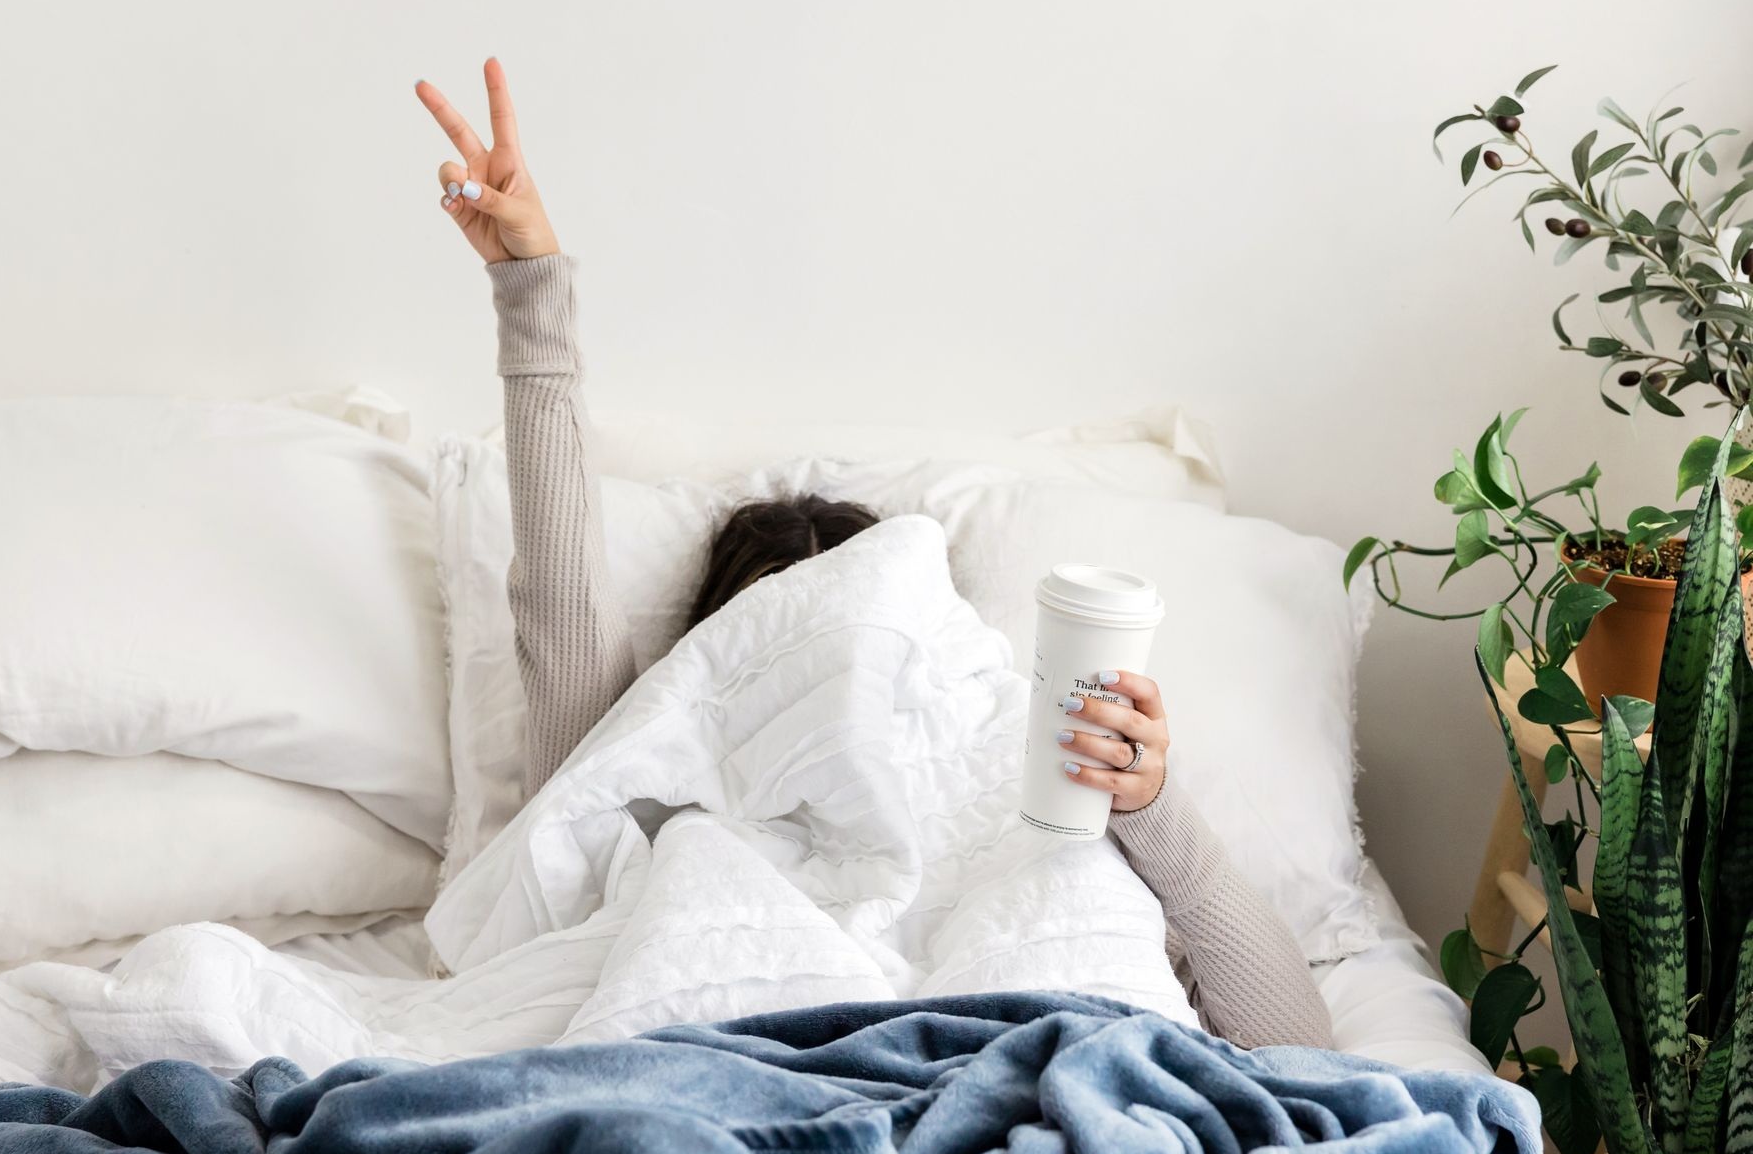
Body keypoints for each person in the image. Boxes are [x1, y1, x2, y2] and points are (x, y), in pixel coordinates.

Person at [414, 60, 1334, 1051]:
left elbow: (1301, 1046)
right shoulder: (644, 784)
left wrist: (1151, 810)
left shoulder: (1036, 788)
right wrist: (531, 292)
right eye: (778, 626)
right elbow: (562, 607)